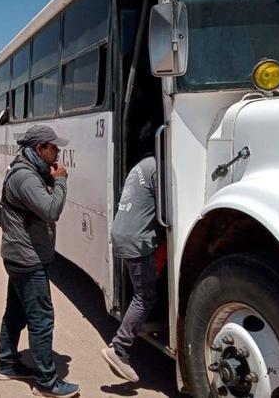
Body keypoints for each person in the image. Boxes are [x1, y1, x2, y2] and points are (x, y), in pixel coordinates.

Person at [0, 124, 79, 398]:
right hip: (27, 258)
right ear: (38, 149)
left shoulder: (32, 170)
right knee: (42, 318)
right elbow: (51, 210)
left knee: (17, 312)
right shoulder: (25, 177)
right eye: (53, 147)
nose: (58, 151)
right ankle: (46, 382)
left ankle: (7, 363)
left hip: (23, 255)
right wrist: (62, 181)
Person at [101, 125, 164, 382]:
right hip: (137, 239)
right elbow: (168, 206)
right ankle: (120, 347)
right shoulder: (156, 169)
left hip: (125, 234)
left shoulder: (140, 167)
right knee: (145, 295)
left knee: (144, 290)